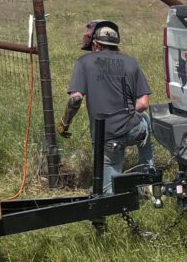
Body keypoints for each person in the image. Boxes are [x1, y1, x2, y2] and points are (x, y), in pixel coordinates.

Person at [59, 19, 153, 196]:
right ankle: (148, 178)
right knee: (146, 122)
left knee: (109, 187)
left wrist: (65, 123)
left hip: (107, 136)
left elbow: (75, 100)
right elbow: (143, 103)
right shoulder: (131, 62)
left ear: (95, 44)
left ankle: (115, 207)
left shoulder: (84, 62)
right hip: (134, 129)